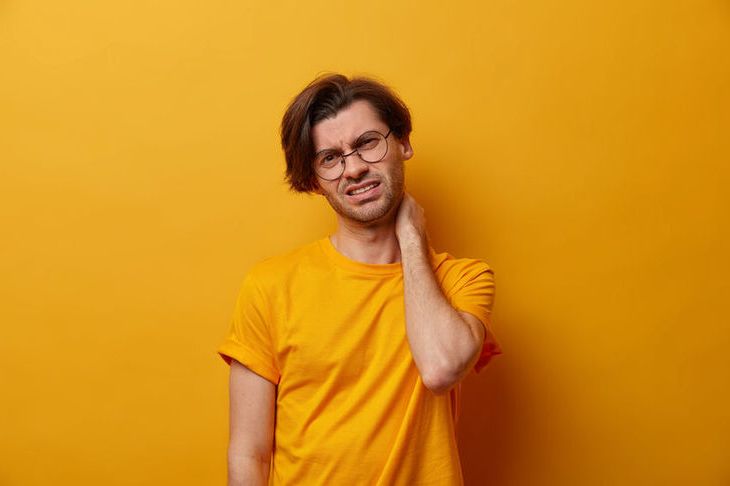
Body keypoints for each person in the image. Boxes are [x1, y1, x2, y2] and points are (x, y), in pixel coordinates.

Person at [217, 73, 502, 485]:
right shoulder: (270, 286)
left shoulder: (463, 280)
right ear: (314, 180)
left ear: (403, 143)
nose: (353, 168)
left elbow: (441, 368)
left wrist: (411, 236)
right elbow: (249, 453)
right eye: (330, 158)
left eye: (368, 143)